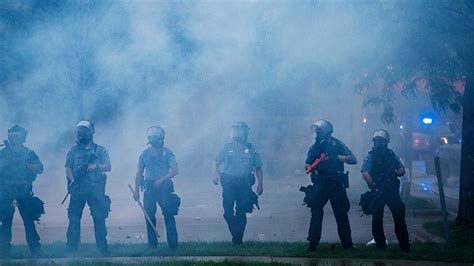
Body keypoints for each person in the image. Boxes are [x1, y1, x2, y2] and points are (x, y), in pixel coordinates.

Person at [304, 120, 357, 251]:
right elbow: (307, 163)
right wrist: (312, 168)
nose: (317, 134)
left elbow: (353, 159)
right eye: (317, 132)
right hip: (320, 184)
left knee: (341, 214)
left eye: (320, 131)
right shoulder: (315, 147)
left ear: (327, 132)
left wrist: (339, 157)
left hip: (336, 184)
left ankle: (348, 245)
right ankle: (312, 245)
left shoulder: (338, 144)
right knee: (316, 213)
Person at [212, 121, 263, 245]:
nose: (236, 133)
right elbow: (216, 161)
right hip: (229, 182)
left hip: (244, 183)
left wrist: (260, 183)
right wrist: (214, 174)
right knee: (227, 211)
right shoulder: (226, 147)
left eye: (239, 130)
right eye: (234, 130)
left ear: (245, 132)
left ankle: (237, 240)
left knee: (241, 211)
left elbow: (258, 167)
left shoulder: (250, 149)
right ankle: (236, 232)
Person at [65, 120, 111, 254]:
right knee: (74, 218)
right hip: (78, 188)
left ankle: (103, 249)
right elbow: (68, 167)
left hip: (95, 188)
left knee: (99, 217)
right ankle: (71, 249)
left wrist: (96, 166)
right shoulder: (73, 151)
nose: (81, 136)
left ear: (91, 134)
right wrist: (72, 179)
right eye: (79, 133)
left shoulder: (100, 150)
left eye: (84, 133)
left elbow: (108, 166)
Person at [361, 129, 410, 251]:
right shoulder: (371, 155)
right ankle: (381, 244)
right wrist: (373, 185)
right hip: (379, 190)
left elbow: (401, 170)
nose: (378, 144)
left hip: (391, 190)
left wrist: (396, 173)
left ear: (386, 142)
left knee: (398, 216)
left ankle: (403, 245)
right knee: (377, 218)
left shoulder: (392, 155)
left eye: (380, 141)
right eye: (377, 141)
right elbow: (365, 172)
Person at [0, 125, 45, 258]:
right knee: (5, 224)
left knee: (29, 223)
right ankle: (3, 254)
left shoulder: (29, 153)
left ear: (22, 137)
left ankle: (36, 252)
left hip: (24, 191)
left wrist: (25, 165)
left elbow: (40, 168)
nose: (15, 137)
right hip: (6, 193)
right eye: (13, 134)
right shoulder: (3, 153)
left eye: (17, 134)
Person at [133, 126, 180, 249]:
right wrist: (136, 190)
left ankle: (173, 246)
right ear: (152, 139)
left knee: (169, 214)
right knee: (149, 216)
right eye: (159, 139)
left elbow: (175, 170)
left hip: (164, 188)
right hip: (149, 188)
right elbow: (139, 173)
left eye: (162, 139)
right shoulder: (144, 154)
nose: (161, 141)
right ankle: (152, 246)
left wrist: (162, 180)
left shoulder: (168, 153)